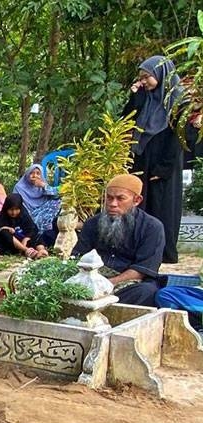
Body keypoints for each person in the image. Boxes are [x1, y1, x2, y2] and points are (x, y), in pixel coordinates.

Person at [122, 55, 186, 263]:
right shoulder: (145, 99)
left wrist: (164, 168)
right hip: (141, 160)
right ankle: (140, 250)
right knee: (140, 205)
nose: (143, 82)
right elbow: (126, 122)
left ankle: (164, 253)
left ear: (161, 74)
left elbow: (180, 137)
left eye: (146, 77)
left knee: (161, 208)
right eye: (140, 77)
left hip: (163, 165)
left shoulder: (177, 101)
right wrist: (134, 98)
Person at [71, 174, 164, 306]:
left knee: (146, 291)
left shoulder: (152, 227)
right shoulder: (92, 223)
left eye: (120, 199)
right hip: (92, 279)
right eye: (109, 198)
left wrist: (108, 284)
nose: (113, 204)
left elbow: (141, 270)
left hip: (127, 284)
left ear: (136, 200)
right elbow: (77, 257)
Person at [0, 194, 49, 259]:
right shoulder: (3, 217)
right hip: (12, 244)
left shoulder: (24, 215)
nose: (14, 212)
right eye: (11, 210)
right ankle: (27, 251)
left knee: (37, 236)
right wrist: (5, 228)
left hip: (24, 240)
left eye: (16, 209)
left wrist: (26, 238)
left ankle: (41, 251)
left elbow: (33, 228)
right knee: (4, 232)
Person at [13, 163, 62, 247]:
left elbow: (57, 195)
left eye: (38, 173)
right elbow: (16, 204)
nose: (34, 176)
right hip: (29, 215)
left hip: (45, 215)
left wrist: (43, 186)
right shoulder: (19, 187)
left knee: (58, 201)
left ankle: (48, 234)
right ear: (27, 175)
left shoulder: (43, 186)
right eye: (32, 173)